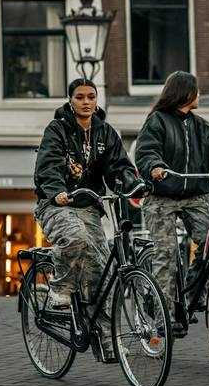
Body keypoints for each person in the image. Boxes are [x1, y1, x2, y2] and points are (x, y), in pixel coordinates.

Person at [134, 71, 209, 334]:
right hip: (161, 197)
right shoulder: (157, 122)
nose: (200, 96)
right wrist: (155, 167)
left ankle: (192, 290)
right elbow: (146, 151)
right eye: (196, 90)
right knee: (167, 253)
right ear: (185, 93)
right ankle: (163, 314)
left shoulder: (202, 127)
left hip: (195, 195)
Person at [33, 78, 142, 324]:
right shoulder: (57, 129)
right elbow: (47, 165)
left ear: (96, 100)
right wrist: (57, 190)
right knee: (76, 238)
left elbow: (119, 166)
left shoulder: (106, 132)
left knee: (102, 274)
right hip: (56, 204)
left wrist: (133, 184)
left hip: (89, 207)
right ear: (70, 100)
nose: (86, 102)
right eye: (80, 97)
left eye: (91, 97)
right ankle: (60, 289)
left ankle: (107, 342)